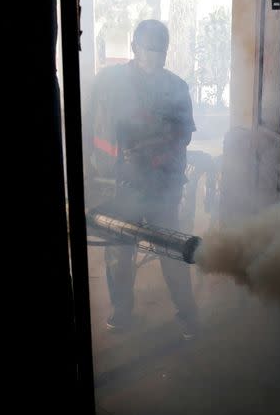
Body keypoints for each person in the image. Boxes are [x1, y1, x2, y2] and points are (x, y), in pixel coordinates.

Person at [84, 19, 199, 340]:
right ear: (134, 48)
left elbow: (184, 134)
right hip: (117, 184)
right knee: (119, 250)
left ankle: (187, 313)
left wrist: (151, 152)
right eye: (151, 49)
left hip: (162, 185)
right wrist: (90, 172)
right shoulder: (108, 82)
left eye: (162, 50)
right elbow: (87, 125)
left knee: (172, 248)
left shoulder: (176, 87)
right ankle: (122, 310)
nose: (158, 57)